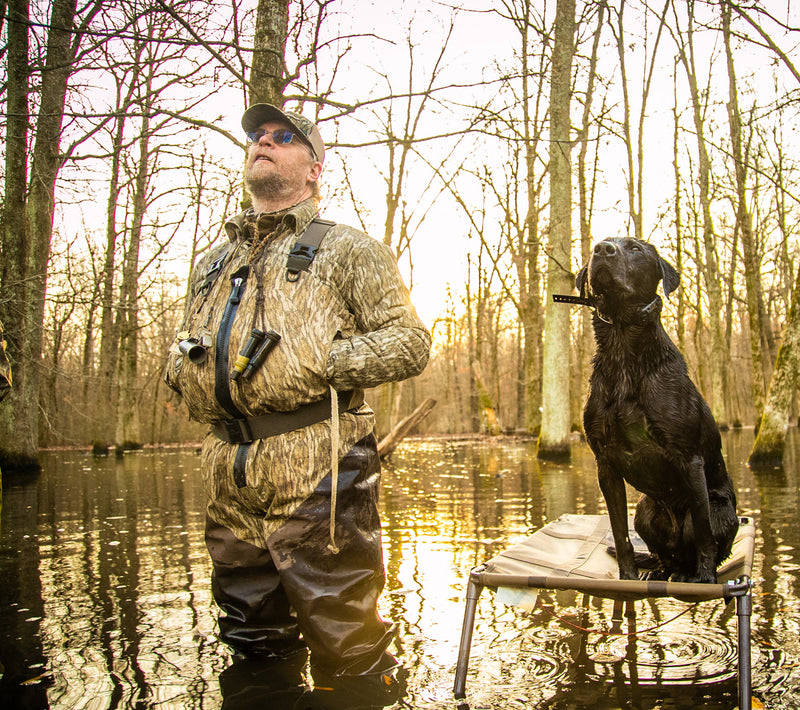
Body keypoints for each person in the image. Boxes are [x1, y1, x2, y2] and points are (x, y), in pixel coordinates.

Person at [165, 103, 430, 705]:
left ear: (314, 167)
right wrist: (179, 372)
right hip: (229, 473)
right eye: (257, 136)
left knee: (347, 640)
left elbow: (410, 344)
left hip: (320, 468)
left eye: (283, 137)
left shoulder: (347, 249)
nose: (264, 142)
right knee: (250, 637)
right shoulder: (210, 263)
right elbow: (187, 340)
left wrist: (320, 361)